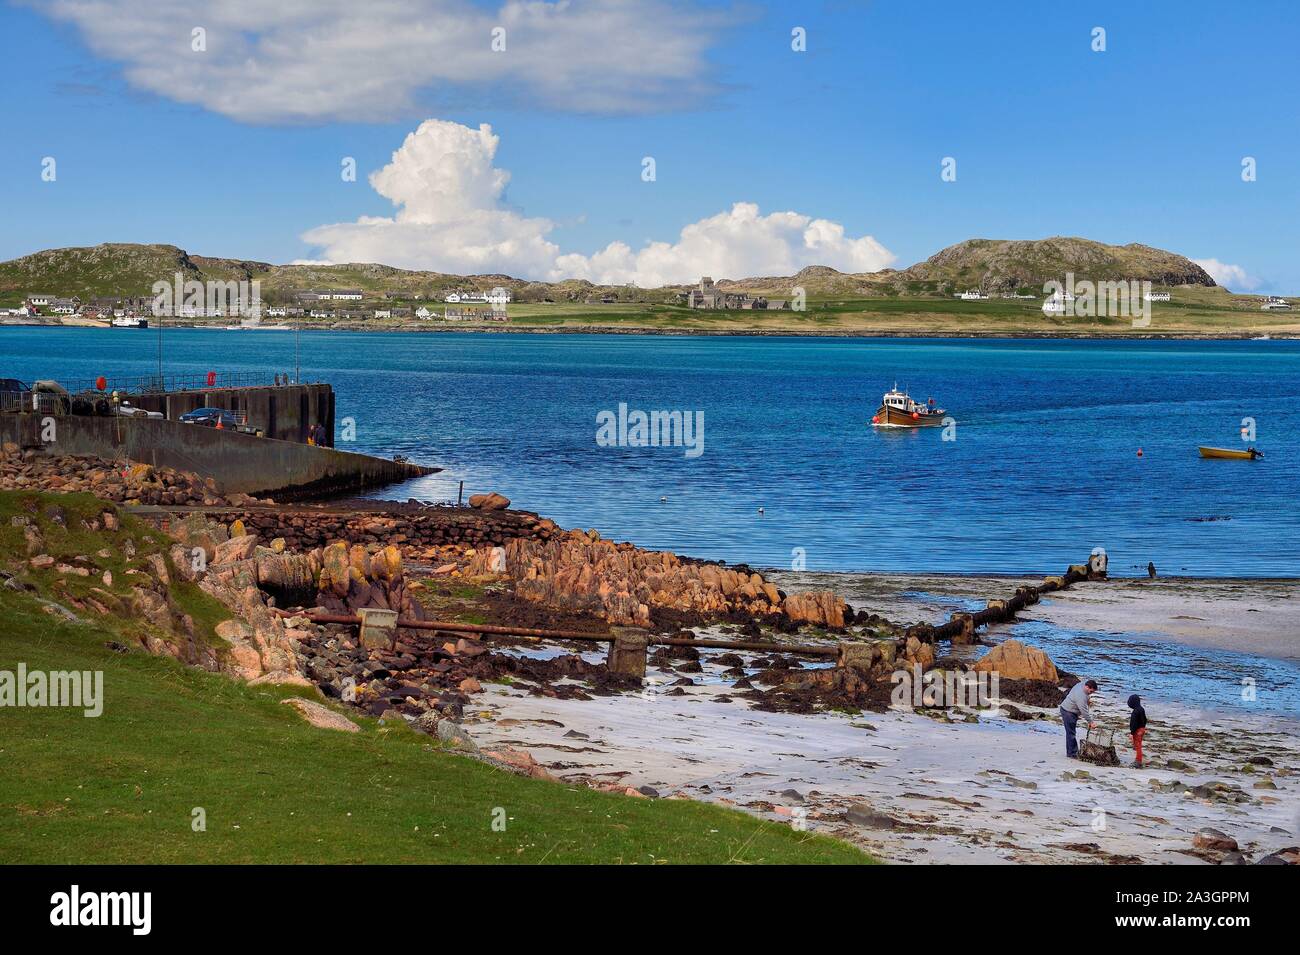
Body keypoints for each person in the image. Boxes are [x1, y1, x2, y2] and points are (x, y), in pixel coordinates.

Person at [1059, 678, 1098, 758]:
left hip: (1068, 709)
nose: (1091, 694)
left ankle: (1071, 752)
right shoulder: (1081, 696)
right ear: (1087, 687)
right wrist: (1091, 722)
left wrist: (1088, 700)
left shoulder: (1082, 684)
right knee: (1071, 734)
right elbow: (1084, 711)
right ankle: (1072, 754)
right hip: (1068, 712)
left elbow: (1086, 697)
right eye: (1091, 692)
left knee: (1070, 732)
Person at [1128, 694, 1148, 768]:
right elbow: (1145, 719)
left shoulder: (1135, 712)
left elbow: (1134, 723)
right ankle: (1138, 758)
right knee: (1138, 744)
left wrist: (1132, 733)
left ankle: (1138, 761)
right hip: (1142, 729)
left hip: (1137, 730)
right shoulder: (1142, 709)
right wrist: (1143, 727)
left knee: (1138, 745)